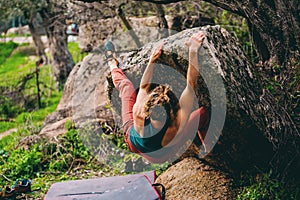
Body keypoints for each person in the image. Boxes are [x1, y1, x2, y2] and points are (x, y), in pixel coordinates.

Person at [105, 31, 210, 163]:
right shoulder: (175, 127)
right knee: (204, 113)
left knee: (126, 86)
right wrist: (193, 50)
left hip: (134, 146)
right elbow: (191, 85)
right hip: (161, 157)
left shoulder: (138, 114)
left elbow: (143, 87)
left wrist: (152, 60)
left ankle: (111, 63)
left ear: (147, 109)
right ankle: (207, 150)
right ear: (173, 110)